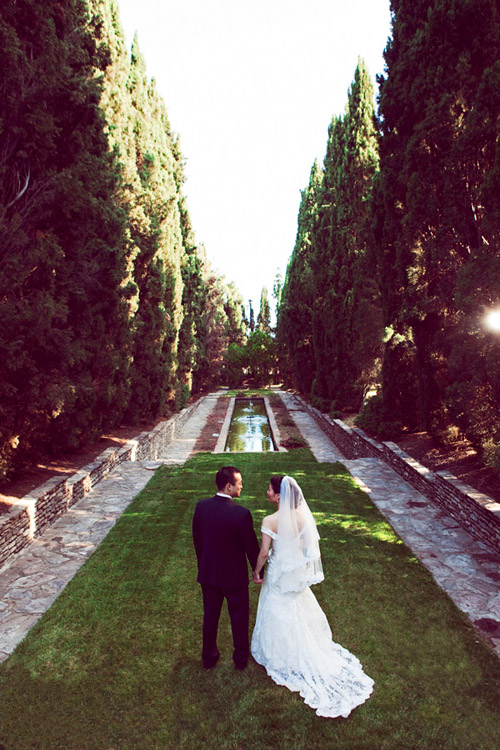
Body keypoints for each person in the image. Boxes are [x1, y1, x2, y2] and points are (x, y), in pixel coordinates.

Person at [251, 475, 374, 718]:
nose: (267, 492)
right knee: (296, 604)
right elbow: (308, 545)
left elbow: (264, 552)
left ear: (278, 496)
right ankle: (302, 643)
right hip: (295, 571)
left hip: (278, 571)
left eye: (269, 489)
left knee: (276, 606)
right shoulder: (303, 517)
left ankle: (280, 652)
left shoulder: (270, 520)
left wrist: (256, 571)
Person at [192, 465, 260, 670]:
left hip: (209, 574)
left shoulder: (201, 507)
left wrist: (204, 564)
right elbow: (251, 548)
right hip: (234, 577)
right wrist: (258, 571)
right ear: (229, 486)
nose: (242, 486)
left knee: (210, 616)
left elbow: (198, 541)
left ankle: (208, 657)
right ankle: (240, 659)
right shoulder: (241, 514)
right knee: (239, 618)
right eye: (239, 483)